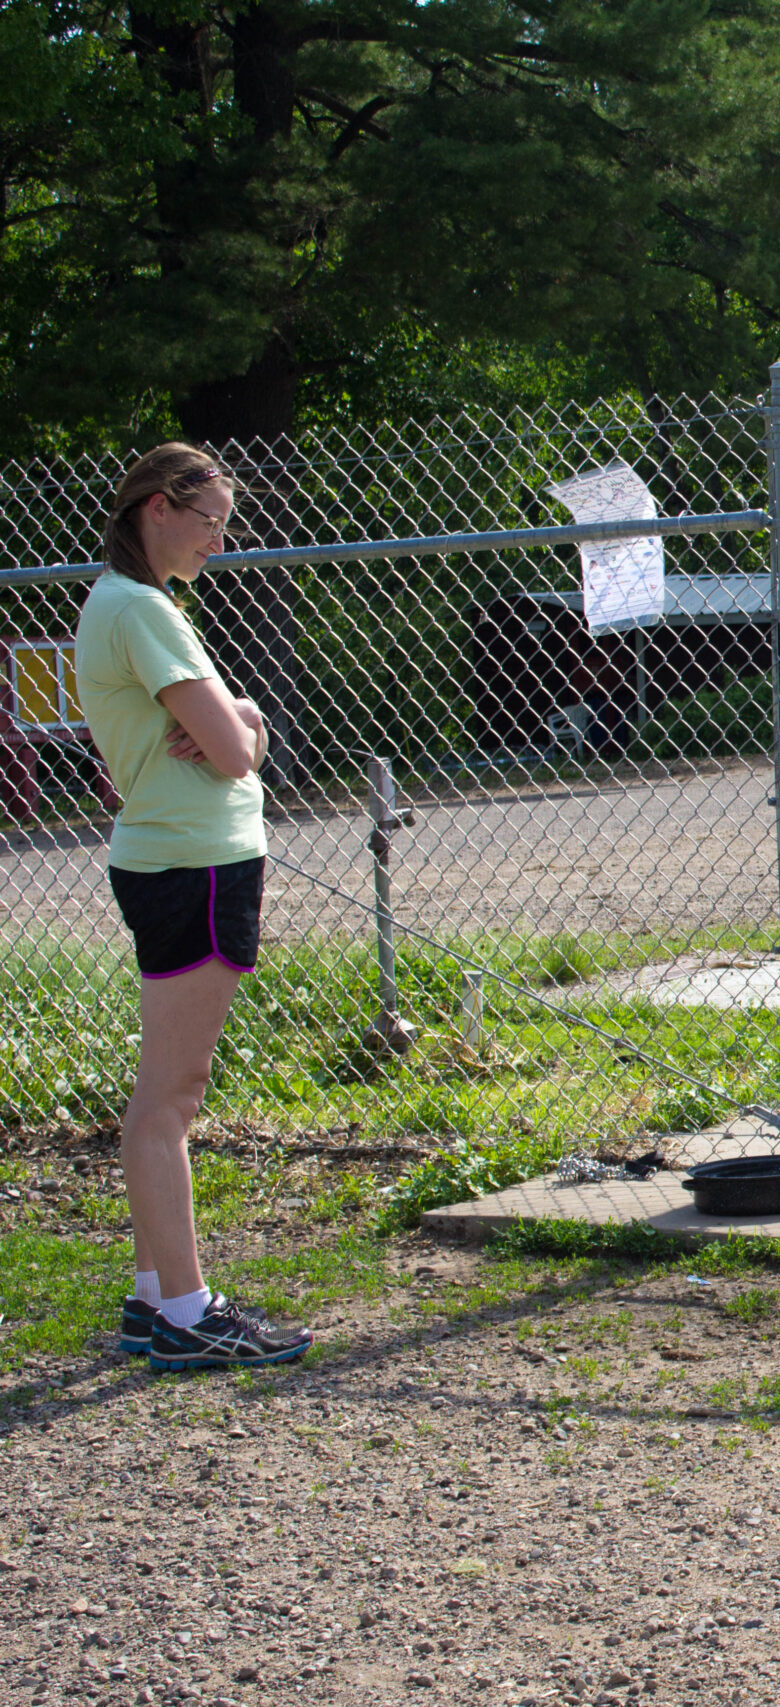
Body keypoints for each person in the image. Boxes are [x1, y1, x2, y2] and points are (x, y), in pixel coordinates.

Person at [75, 443, 311, 1372]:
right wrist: (247, 717)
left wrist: (235, 713)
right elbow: (235, 750)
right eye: (209, 519)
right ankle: (183, 1307)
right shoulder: (142, 609)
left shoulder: (123, 605)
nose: (220, 539)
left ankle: (153, 1295)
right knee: (170, 1099)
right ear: (157, 509)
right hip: (191, 865)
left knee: (168, 1092)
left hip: (178, 859)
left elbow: (214, 733)